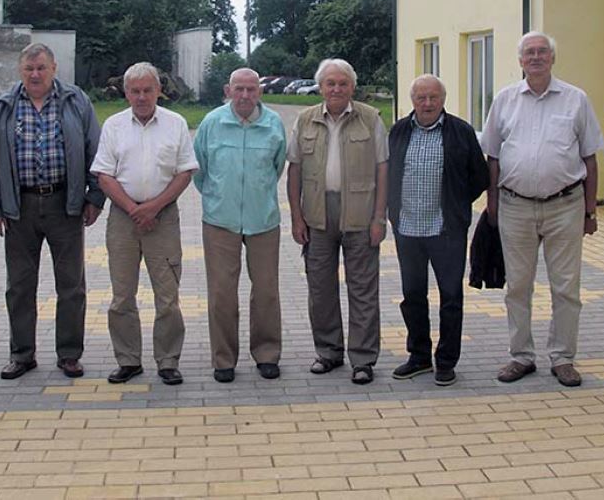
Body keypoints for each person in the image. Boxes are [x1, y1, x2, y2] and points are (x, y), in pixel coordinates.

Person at [481, 32, 601, 388]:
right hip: (514, 206)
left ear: (552, 58)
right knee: (517, 286)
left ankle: (563, 357)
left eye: (542, 52)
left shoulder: (575, 100)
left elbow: (590, 159)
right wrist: (492, 203)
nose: (536, 58)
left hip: (566, 205)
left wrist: (590, 211)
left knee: (566, 288)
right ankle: (520, 356)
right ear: (520, 61)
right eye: (529, 53)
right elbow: (493, 157)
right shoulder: (504, 100)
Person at [0, 43, 104, 381]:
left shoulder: (76, 101)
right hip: (19, 207)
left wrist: (95, 196)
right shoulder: (3, 106)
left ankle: (69, 355)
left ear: (54, 69)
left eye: (41, 68)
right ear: (21, 71)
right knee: (19, 285)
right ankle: (22, 354)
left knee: (71, 285)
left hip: (65, 204)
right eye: (29, 69)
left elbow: (97, 149)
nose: (35, 74)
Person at [92, 62, 199, 385]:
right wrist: (133, 208)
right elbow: (103, 175)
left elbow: (185, 172)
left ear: (158, 91)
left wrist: (153, 207)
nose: (141, 97)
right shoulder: (113, 125)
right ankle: (128, 360)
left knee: (167, 296)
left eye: (147, 90)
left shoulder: (175, 123)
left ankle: (168, 361)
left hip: (163, 218)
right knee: (122, 295)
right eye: (135, 91)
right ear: (126, 93)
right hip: (123, 219)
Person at [287, 58, 389, 384]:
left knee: (362, 289)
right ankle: (328, 352)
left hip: (360, 214)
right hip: (317, 215)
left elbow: (383, 170)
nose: (336, 89)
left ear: (352, 87)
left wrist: (379, 218)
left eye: (342, 83)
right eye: (330, 83)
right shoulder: (304, 120)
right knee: (320, 289)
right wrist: (296, 216)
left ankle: (363, 359)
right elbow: (295, 170)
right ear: (320, 87)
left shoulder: (370, 119)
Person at [386, 74, 489, 386]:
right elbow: (387, 173)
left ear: (443, 99)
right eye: (421, 98)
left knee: (451, 297)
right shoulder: (399, 130)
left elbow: (479, 177)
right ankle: (418, 357)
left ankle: (446, 361)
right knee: (412, 295)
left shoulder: (461, 132)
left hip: (447, 230)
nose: (427, 103)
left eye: (433, 97)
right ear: (412, 101)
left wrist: (456, 205)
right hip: (407, 228)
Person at [192, 67, 287, 383]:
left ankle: (267, 354)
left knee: (266, 292)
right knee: (221, 294)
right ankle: (223, 360)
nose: (245, 95)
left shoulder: (273, 124)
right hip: (221, 220)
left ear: (259, 91)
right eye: (239, 89)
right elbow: (199, 170)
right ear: (228, 90)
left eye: (251, 89)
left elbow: (277, 167)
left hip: (263, 220)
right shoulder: (212, 123)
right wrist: (219, 197)